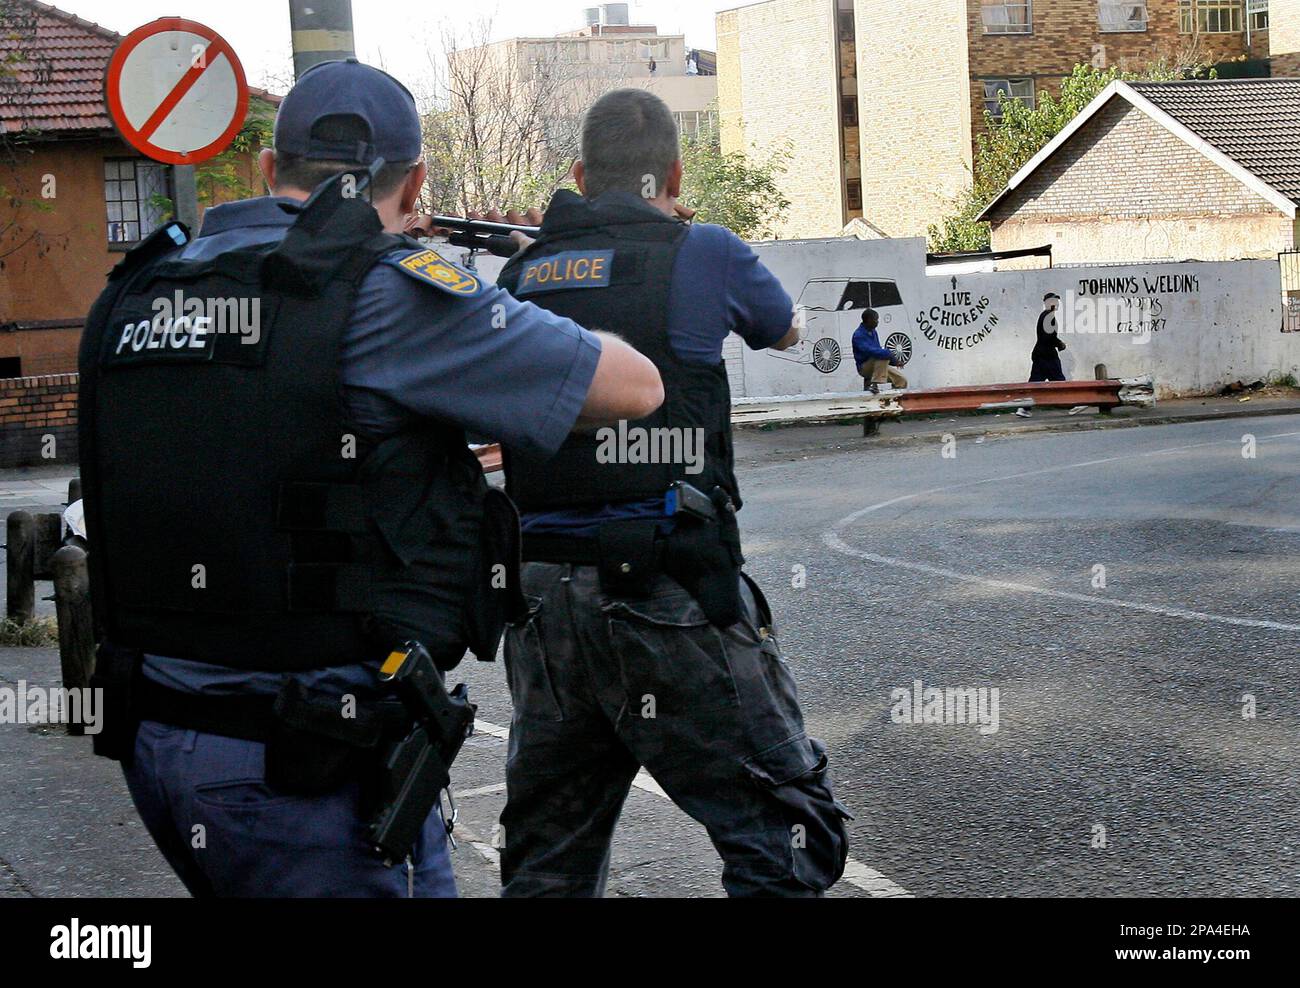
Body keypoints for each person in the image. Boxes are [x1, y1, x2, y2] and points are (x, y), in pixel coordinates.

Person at [77, 60, 662, 898]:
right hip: (305, 767)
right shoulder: (379, 295)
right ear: (416, 181)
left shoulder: (141, 287)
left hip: (158, 737)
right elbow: (633, 388)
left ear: (271, 167)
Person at [493, 88, 852, 898]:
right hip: (664, 584)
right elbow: (783, 328)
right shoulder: (705, 250)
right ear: (675, 172)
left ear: (579, 176)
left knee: (548, 860)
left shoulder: (520, 273)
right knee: (785, 834)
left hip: (542, 600)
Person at [1019, 292, 1067, 416]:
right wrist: (1060, 343)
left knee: (1035, 383)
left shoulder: (1046, 315)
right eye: (1053, 301)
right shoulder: (1048, 316)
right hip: (1048, 356)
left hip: (1041, 354)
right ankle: (1072, 404)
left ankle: (1024, 408)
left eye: (1056, 301)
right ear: (1046, 303)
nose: (1056, 303)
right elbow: (1048, 337)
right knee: (1059, 381)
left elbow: (1047, 336)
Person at [852, 307, 907, 393]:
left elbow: (878, 350)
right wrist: (891, 357)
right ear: (869, 320)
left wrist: (894, 362)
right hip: (864, 368)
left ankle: (896, 401)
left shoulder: (873, 332)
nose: (877, 322)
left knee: (901, 380)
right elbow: (871, 351)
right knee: (882, 356)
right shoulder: (858, 335)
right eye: (876, 319)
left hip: (876, 367)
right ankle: (872, 384)